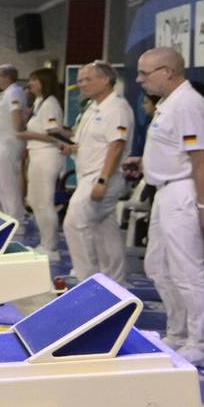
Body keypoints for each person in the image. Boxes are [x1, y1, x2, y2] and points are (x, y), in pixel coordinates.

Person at [135, 46, 204, 365]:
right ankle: (179, 332)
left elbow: (201, 159)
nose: (140, 80)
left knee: (187, 269)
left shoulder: (187, 104)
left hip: (183, 193)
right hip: (164, 191)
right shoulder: (170, 104)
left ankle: (203, 342)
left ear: (167, 71)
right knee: (157, 266)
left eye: (145, 73)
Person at [60, 60, 134, 284]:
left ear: (105, 80)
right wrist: (73, 148)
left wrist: (103, 180)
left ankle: (87, 281)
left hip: (101, 178)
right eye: (80, 80)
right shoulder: (93, 108)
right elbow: (96, 142)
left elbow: (116, 145)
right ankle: (114, 281)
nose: (81, 84)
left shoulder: (116, 108)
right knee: (105, 229)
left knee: (73, 223)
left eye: (87, 79)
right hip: (89, 176)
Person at [17, 68, 66, 257]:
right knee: (35, 200)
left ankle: (51, 245)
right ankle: (44, 241)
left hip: (47, 155)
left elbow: (54, 134)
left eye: (35, 80)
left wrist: (28, 135)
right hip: (36, 154)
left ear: (44, 82)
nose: (30, 84)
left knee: (44, 201)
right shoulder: (39, 102)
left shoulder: (51, 103)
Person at [0, 64, 28, 221]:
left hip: (9, 142)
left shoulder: (14, 92)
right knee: (0, 183)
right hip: (2, 142)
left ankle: (16, 222)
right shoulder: (6, 94)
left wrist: (21, 132)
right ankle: (7, 218)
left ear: (7, 77)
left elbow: (16, 117)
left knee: (9, 184)